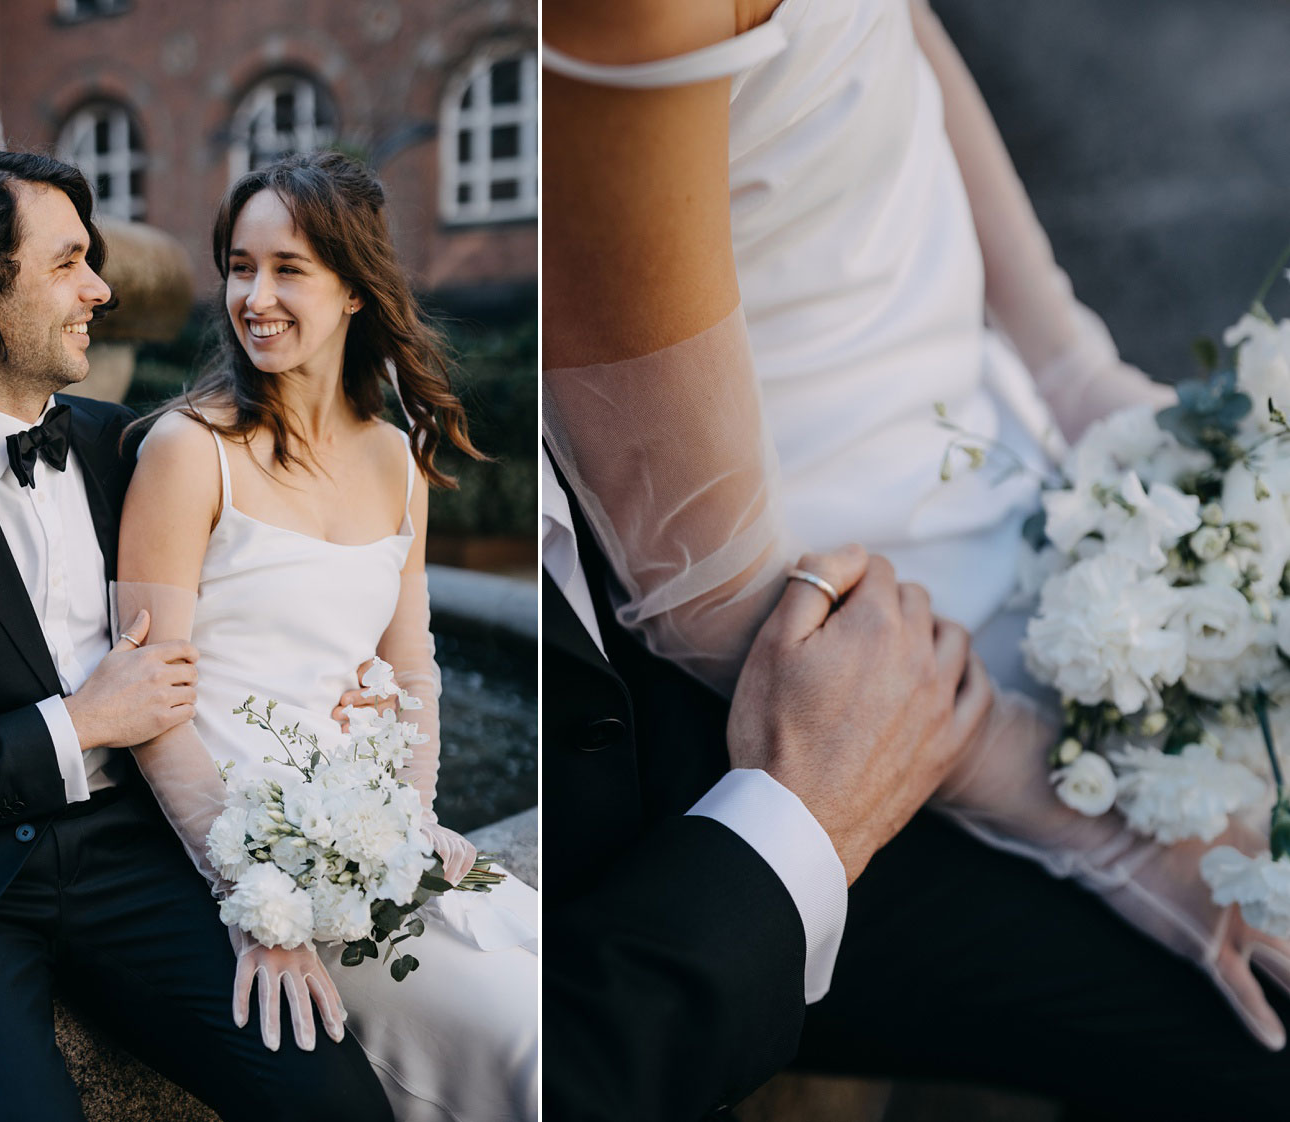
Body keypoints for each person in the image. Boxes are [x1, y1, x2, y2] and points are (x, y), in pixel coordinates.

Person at [543, 0, 1290, 1116]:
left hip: (1018, 461)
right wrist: (1106, 827)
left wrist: (1076, 367)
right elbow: (707, 603)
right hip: (846, 672)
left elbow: (889, 39)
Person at [0, 146, 393, 1122]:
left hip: (136, 858)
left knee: (334, 1100)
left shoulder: (132, 445)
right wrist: (76, 725)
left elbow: (249, 591)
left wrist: (343, 680)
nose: (100, 290)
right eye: (68, 263)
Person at [113, 151, 537, 1122]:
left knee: (554, 984)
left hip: (366, 846)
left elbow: (412, 668)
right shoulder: (188, 453)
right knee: (519, 1033)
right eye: (239, 266)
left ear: (354, 285)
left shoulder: (399, 459)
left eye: (288, 268)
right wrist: (261, 899)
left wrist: (412, 825)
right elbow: (149, 709)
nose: (254, 296)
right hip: (239, 856)